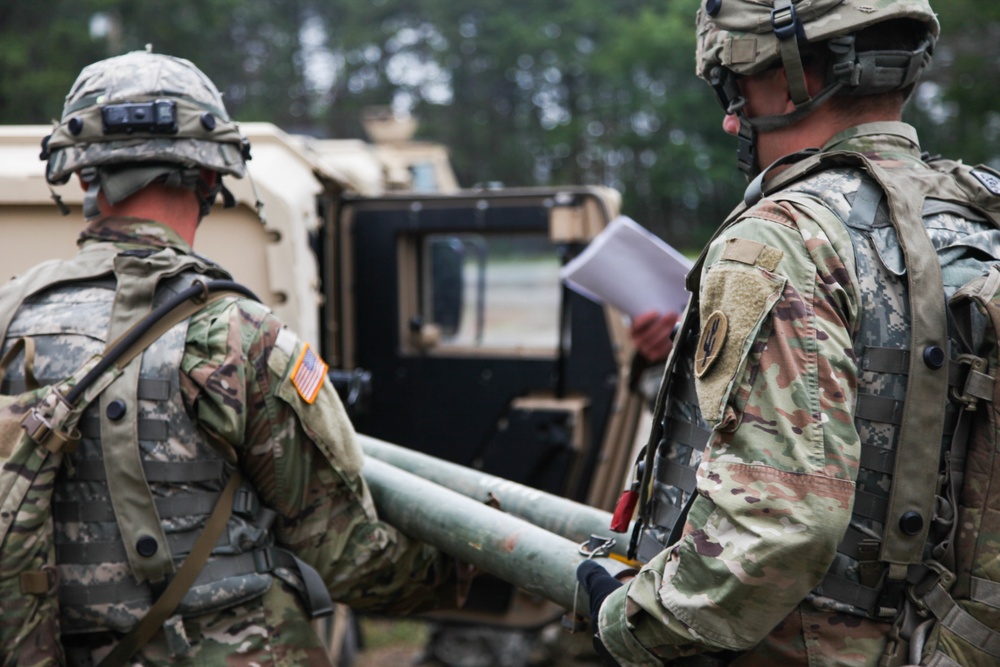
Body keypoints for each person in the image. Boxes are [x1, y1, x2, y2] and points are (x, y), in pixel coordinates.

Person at [2, 49, 461, 666]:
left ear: (80, 177)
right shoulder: (242, 337)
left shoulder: (9, 315)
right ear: (212, 177)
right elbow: (356, 564)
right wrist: (473, 560)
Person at [578, 1, 1000, 665]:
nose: (729, 115)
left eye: (731, 85)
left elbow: (777, 528)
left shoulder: (781, 236)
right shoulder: (981, 214)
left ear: (793, 78)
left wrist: (634, 620)